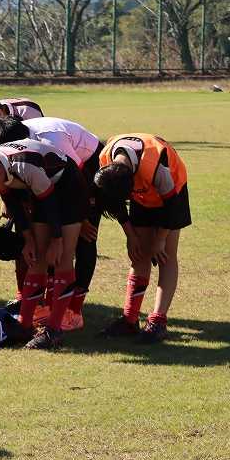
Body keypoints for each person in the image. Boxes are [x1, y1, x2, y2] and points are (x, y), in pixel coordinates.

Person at [0, 138, 87, 350]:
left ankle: (54, 331)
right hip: (43, 192)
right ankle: (24, 326)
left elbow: (50, 202)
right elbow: (13, 201)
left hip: (69, 187)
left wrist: (57, 239)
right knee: (37, 258)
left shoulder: (24, 167)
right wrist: (27, 239)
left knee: (63, 258)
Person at [0, 116, 104, 329]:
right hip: (45, 183)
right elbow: (15, 197)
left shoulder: (47, 145)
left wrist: (82, 217)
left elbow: (77, 175)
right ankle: (31, 317)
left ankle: (71, 313)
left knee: (73, 248)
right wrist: (28, 237)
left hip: (82, 172)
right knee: (39, 256)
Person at [94, 134, 190, 344]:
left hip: (173, 193)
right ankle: (129, 320)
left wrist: (160, 239)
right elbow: (115, 203)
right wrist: (131, 235)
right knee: (139, 255)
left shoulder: (155, 166)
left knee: (165, 255)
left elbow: (172, 206)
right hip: (143, 193)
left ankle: (158, 322)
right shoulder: (107, 164)